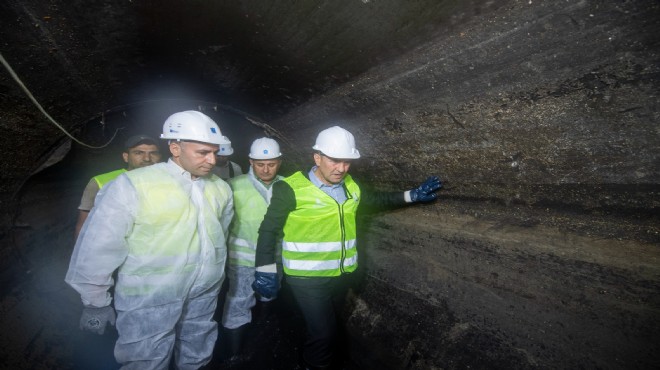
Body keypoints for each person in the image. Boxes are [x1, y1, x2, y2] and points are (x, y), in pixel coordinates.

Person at [252, 125, 442, 370]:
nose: (341, 168)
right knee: (324, 335)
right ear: (317, 157)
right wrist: (264, 269)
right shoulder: (289, 188)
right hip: (306, 278)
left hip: (341, 276)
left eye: (347, 162)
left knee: (325, 329)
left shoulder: (351, 185)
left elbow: (374, 200)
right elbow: (269, 230)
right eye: (334, 160)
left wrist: (411, 195)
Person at [65, 110, 234, 369]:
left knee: (198, 352)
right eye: (203, 152)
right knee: (146, 361)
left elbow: (219, 237)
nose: (213, 160)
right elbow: (99, 245)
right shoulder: (133, 185)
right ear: (175, 148)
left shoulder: (220, 189)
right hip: (149, 299)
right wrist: (94, 301)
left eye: (215, 151)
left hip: (203, 292)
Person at [220, 137, 284, 363]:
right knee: (238, 302)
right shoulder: (233, 186)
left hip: (275, 257)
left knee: (270, 293)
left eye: (272, 164)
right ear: (250, 162)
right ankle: (234, 354)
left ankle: (262, 331)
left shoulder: (288, 186)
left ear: (279, 161)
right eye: (260, 164)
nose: (266, 169)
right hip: (242, 260)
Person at [74, 134, 161, 238]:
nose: (147, 158)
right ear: (126, 157)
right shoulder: (100, 181)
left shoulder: (169, 182)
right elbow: (83, 225)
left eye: (153, 153)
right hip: (110, 247)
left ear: (160, 157)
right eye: (138, 153)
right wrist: (80, 253)